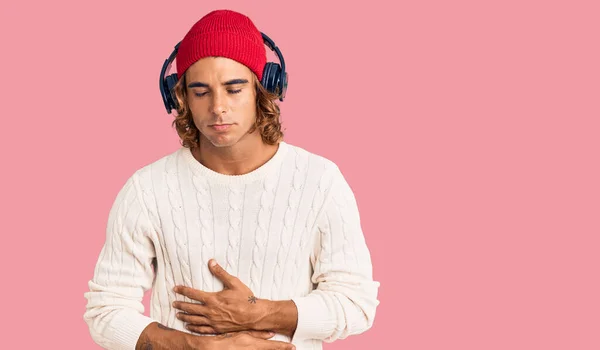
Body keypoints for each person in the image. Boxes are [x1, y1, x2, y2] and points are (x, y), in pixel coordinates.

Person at [83, 9, 380, 350]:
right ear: (180, 98)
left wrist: (260, 313)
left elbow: (356, 303)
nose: (218, 107)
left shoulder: (320, 182)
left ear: (263, 88)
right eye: (201, 92)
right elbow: (106, 311)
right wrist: (195, 347)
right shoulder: (146, 189)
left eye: (234, 88)